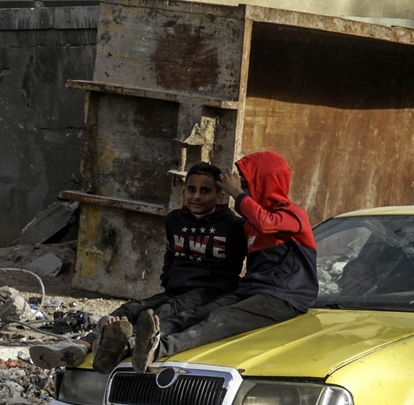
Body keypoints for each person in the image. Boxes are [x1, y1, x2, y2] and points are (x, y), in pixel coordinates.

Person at [30, 162, 247, 371]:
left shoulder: (234, 227)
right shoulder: (176, 220)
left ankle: (124, 347)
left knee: (160, 314)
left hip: (209, 292)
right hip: (176, 289)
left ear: (220, 196)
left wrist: (238, 193)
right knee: (131, 308)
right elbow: (171, 254)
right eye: (191, 190)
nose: (196, 196)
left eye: (205, 191)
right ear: (183, 193)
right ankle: (83, 345)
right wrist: (168, 279)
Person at [120, 151, 318, 373]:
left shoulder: (293, 214)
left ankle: (159, 349)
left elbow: (266, 222)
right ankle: (134, 344)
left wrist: (235, 193)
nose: (242, 192)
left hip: (284, 296)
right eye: (240, 187)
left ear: (266, 184)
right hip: (252, 290)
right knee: (199, 312)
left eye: (246, 186)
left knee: (221, 319)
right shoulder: (248, 224)